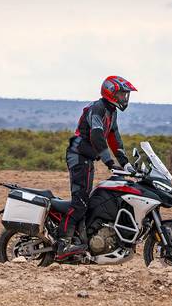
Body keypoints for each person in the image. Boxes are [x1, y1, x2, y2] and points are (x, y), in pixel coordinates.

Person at [56, 75, 137, 260]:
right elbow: (97, 136)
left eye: (126, 95)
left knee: (91, 201)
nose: (125, 98)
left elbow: (114, 138)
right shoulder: (98, 108)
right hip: (78, 156)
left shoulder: (111, 111)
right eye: (123, 94)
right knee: (80, 203)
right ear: (111, 93)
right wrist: (109, 162)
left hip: (87, 158)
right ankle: (63, 244)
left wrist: (125, 163)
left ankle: (83, 238)